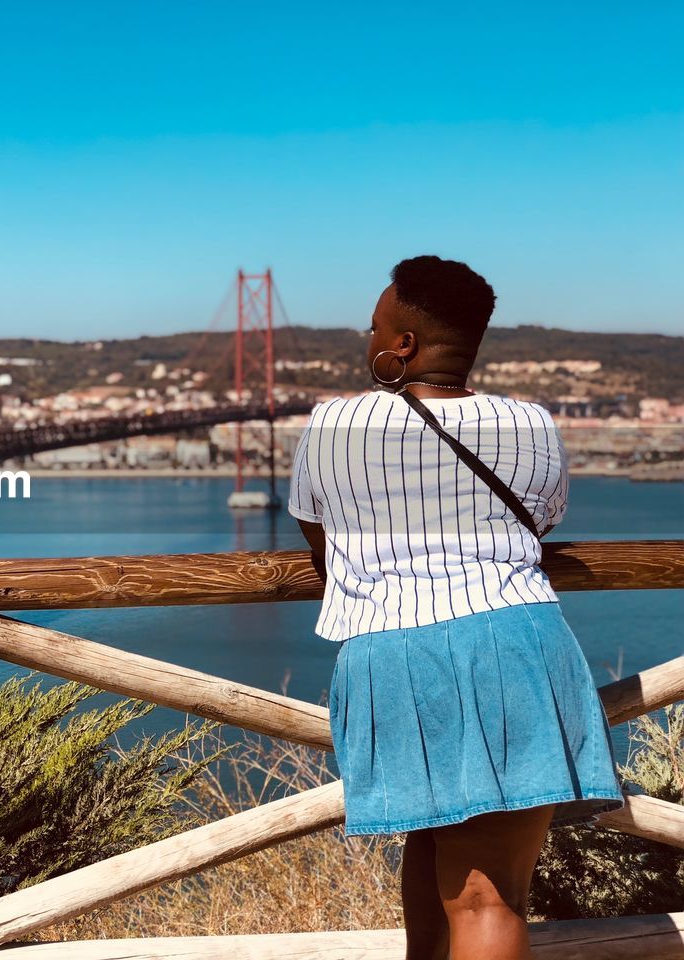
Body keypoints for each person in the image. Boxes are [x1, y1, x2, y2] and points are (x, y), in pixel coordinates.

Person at [287, 255, 624, 960]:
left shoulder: (332, 424)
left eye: (375, 326)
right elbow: (544, 519)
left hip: (390, 654)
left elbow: (320, 540)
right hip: (515, 642)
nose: (368, 336)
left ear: (401, 345)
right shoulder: (531, 422)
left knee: (446, 869)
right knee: (490, 890)